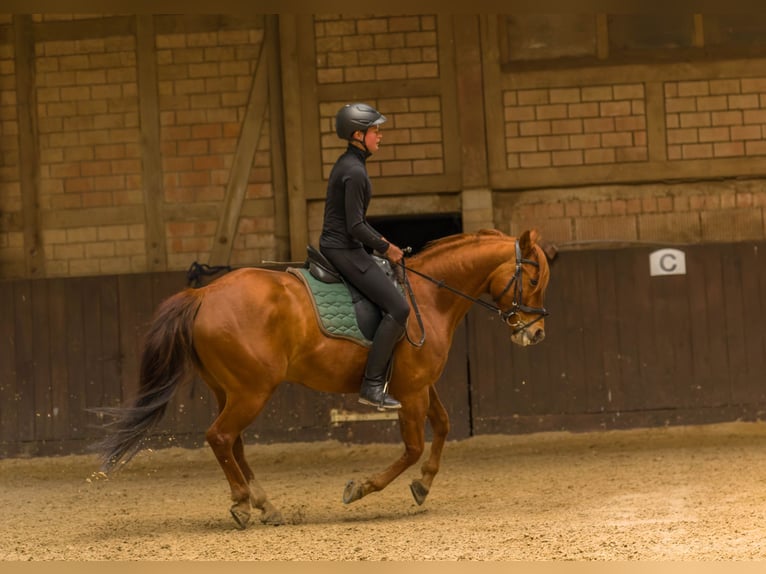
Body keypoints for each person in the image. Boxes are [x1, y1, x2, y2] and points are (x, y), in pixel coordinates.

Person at [319, 103, 410, 410]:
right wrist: (388, 248)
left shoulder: (350, 164)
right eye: (375, 131)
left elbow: (356, 222)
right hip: (343, 249)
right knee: (398, 308)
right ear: (358, 134)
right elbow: (355, 226)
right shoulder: (354, 172)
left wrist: (382, 242)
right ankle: (372, 385)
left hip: (345, 244)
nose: (380, 136)